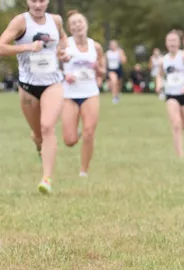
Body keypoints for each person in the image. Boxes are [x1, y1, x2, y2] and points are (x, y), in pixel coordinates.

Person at [0, 0, 70, 194]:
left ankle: (47, 179)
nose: (38, 5)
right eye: (34, 0)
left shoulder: (56, 20)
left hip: (53, 83)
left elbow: (63, 41)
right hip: (28, 87)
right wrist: (26, 47)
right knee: (38, 134)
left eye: (42, 0)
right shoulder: (20, 22)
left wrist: (63, 53)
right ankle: (39, 146)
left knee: (47, 127)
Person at [61, 10, 104, 177]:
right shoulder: (65, 45)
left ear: (86, 24)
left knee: (89, 132)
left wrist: (97, 68)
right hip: (69, 95)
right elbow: (53, 67)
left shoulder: (96, 47)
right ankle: (75, 133)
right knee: (69, 140)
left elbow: (103, 72)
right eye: (73, 24)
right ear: (70, 29)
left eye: (79, 22)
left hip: (90, 92)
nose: (77, 25)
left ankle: (83, 171)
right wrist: (66, 75)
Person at [156, 30, 184, 158]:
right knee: (176, 124)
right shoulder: (163, 60)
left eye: (174, 40)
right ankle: (180, 155)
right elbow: (159, 75)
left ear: (179, 42)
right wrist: (159, 84)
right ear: (166, 43)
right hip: (171, 94)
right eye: (169, 41)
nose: (172, 43)